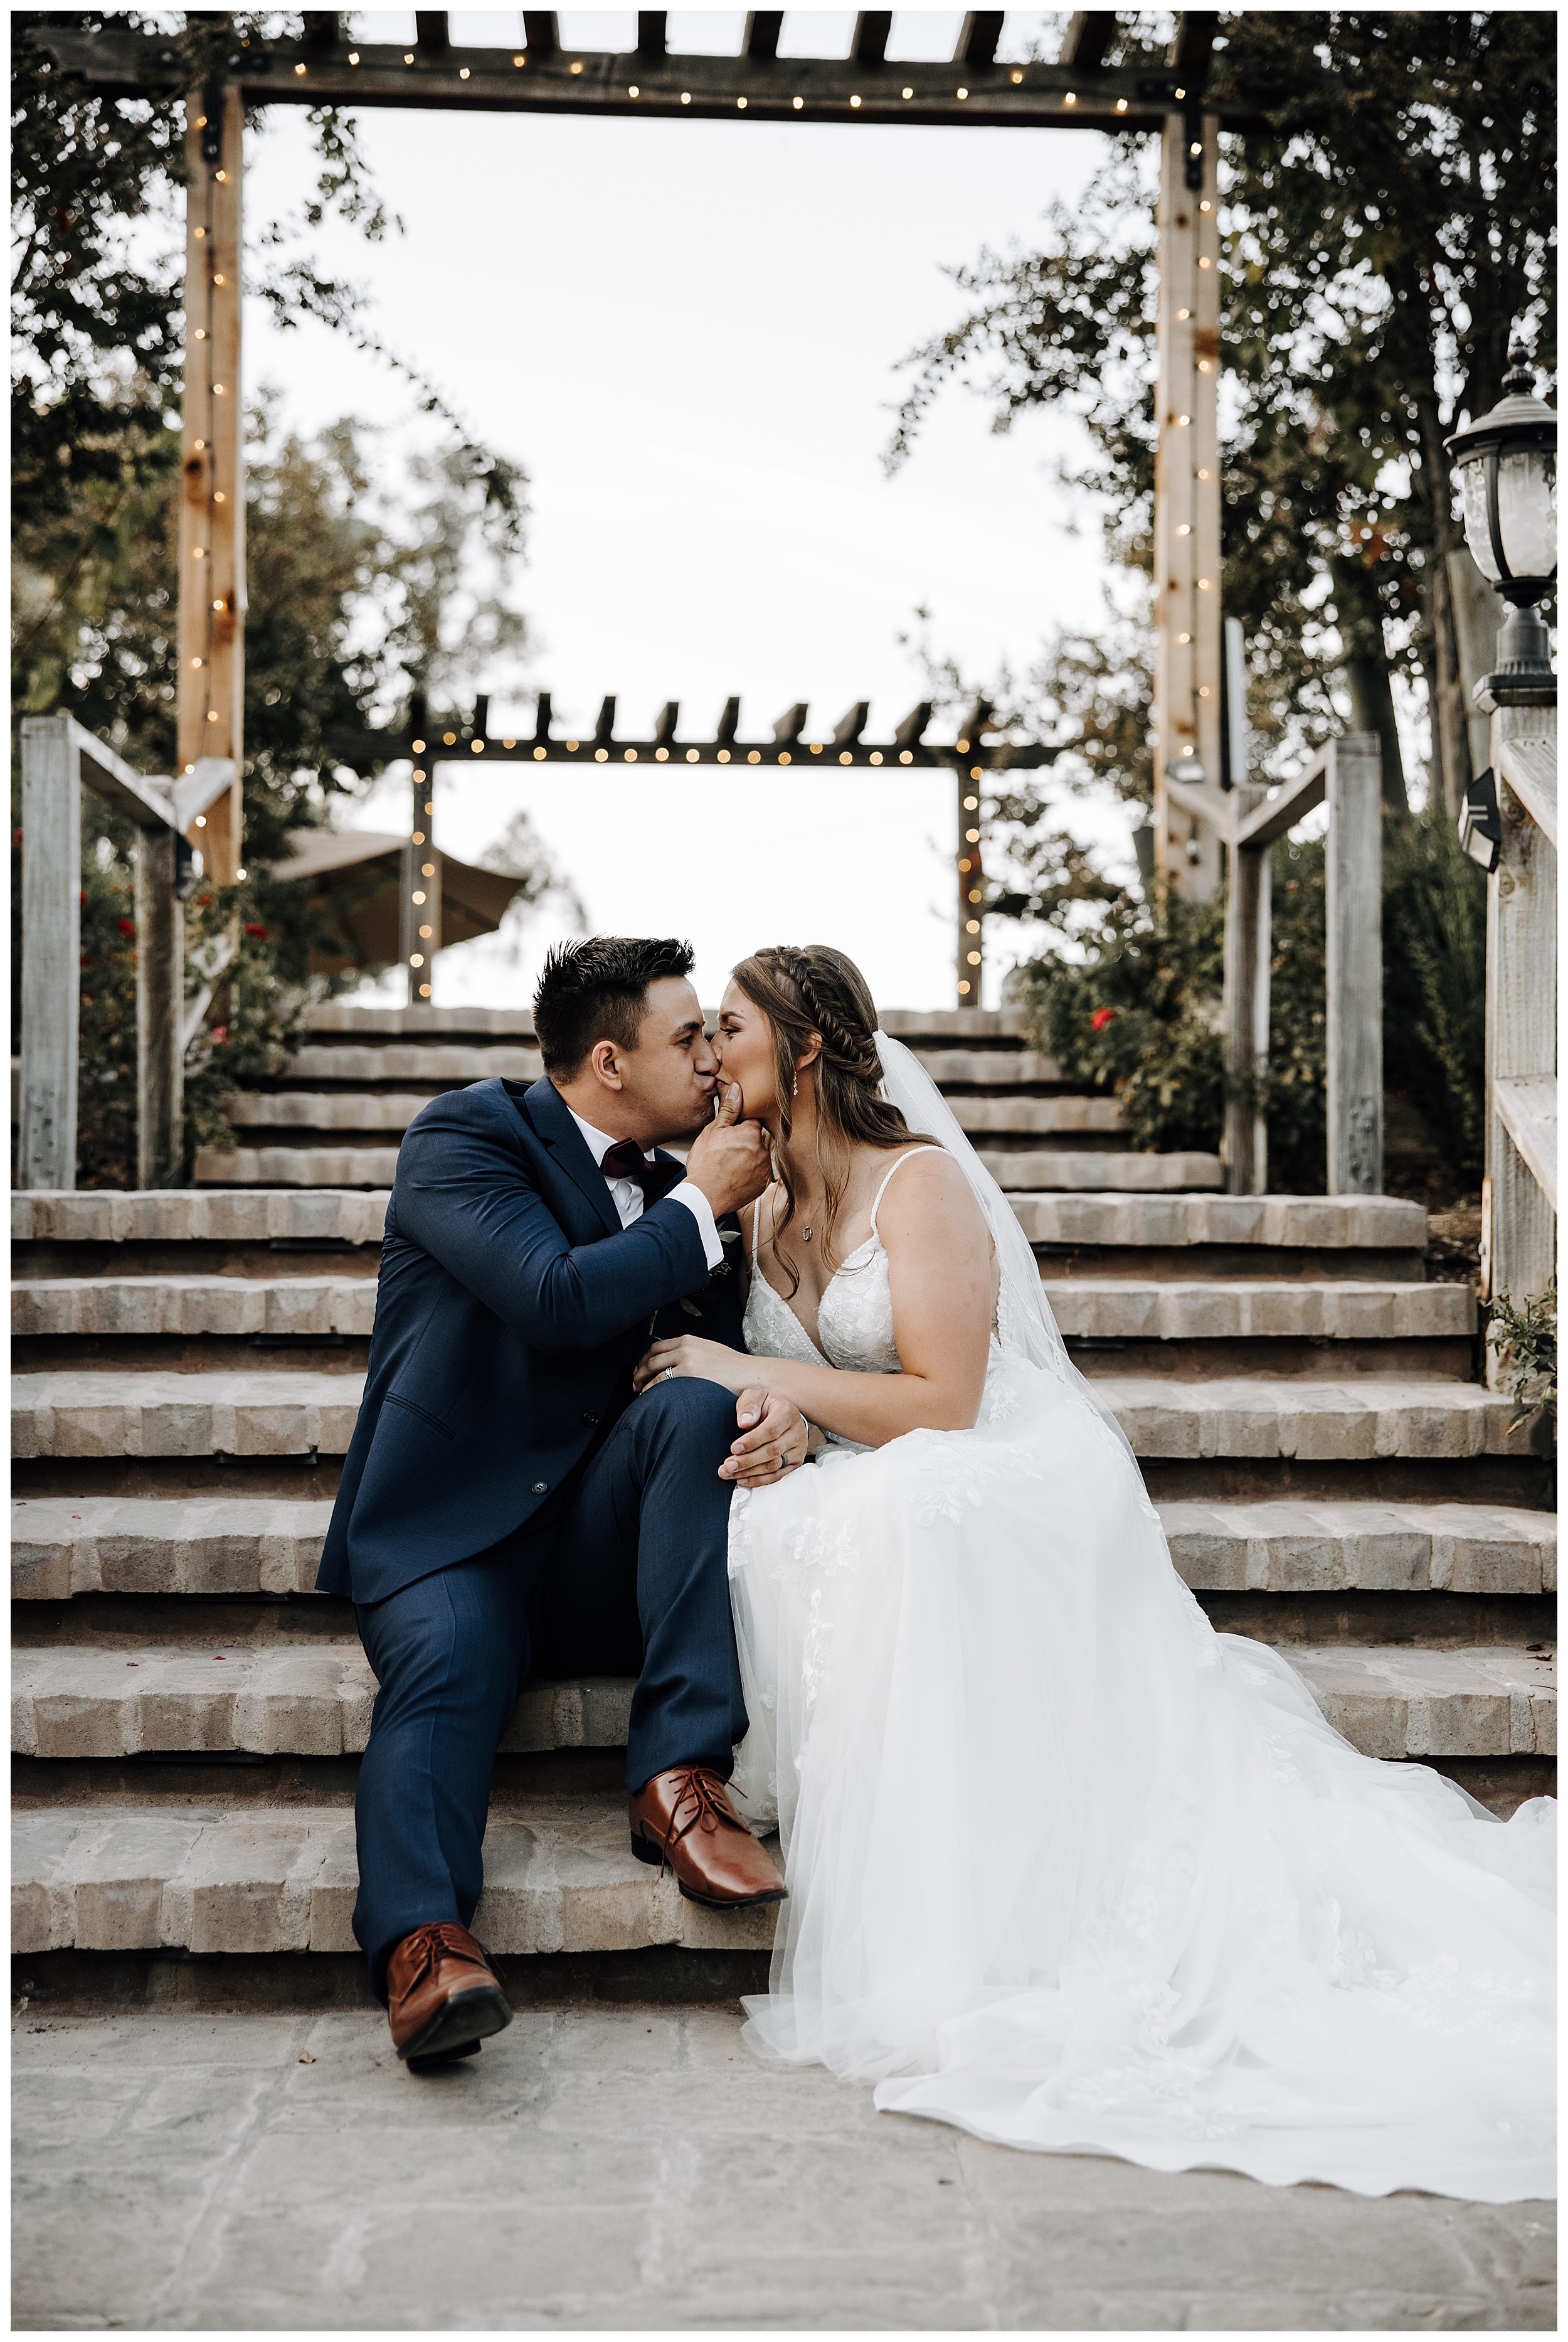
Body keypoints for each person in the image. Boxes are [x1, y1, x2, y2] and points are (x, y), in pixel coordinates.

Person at [635, 944, 1555, 2203]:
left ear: (799, 1049)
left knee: (906, 1510)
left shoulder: (919, 1185)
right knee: (765, 1516)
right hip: (879, 1437)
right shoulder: (758, 1197)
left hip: (1002, 1459)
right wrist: (789, 1419)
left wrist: (754, 1379)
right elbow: (830, 1390)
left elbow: (949, 1399)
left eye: (726, 1027)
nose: (704, 1052)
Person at [320, 937, 805, 2071]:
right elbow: (551, 1297)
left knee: (694, 1405)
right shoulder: (465, 1137)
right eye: (688, 1039)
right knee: (444, 1674)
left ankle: (681, 1776)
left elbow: (720, 1352)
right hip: (453, 1537)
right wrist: (693, 1206)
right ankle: (425, 1945)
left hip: (597, 1540)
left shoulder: (702, 1191)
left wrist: (781, 1407)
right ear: (609, 1060)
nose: (711, 1063)